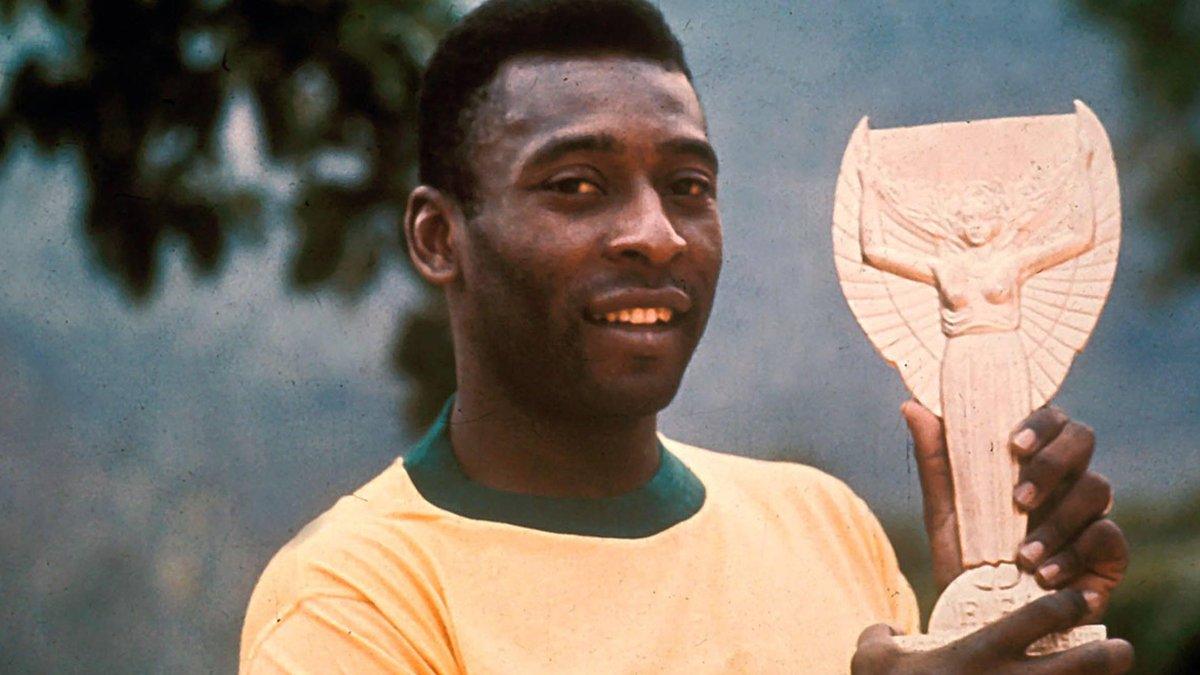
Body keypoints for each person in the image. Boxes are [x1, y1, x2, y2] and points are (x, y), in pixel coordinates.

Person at [239, 1, 1132, 672]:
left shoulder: (824, 525)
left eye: (688, 185)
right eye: (578, 185)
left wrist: (992, 615)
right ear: (440, 238)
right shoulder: (353, 598)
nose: (658, 232)